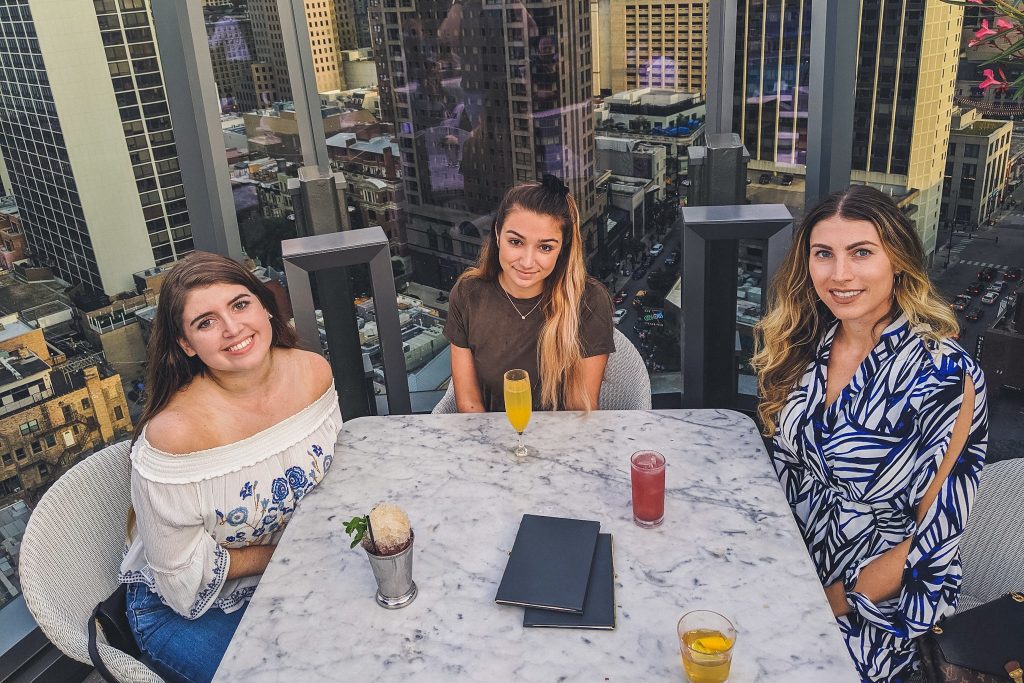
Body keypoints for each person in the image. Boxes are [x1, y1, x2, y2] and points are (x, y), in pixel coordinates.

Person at [752, 185, 988, 682]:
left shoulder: (942, 374)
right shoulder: (807, 338)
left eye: (861, 252)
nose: (840, 274)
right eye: (824, 254)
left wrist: (827, 601)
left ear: (897, 260)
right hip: (786, 558)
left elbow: (935, 536)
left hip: (876, 598)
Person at [118, 252, 340, 683]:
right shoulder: (175, 435)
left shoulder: (313, 373)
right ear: (186, 344)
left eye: (240, 304)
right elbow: (181, 583)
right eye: (205, 322)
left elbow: (337, 474)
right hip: (190, 610)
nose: (233, 328)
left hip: (296, 571)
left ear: (264, 306)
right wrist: (292, 553)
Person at [444, 175, 615, 412]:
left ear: (562, 249)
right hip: (491, 439)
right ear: (497, 234)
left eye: (545, 247)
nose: (527, 261)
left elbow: (579, 408)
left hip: (561, 442)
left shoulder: (588, 301)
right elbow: (469, 403)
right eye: (515, 242)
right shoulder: (468, 294)